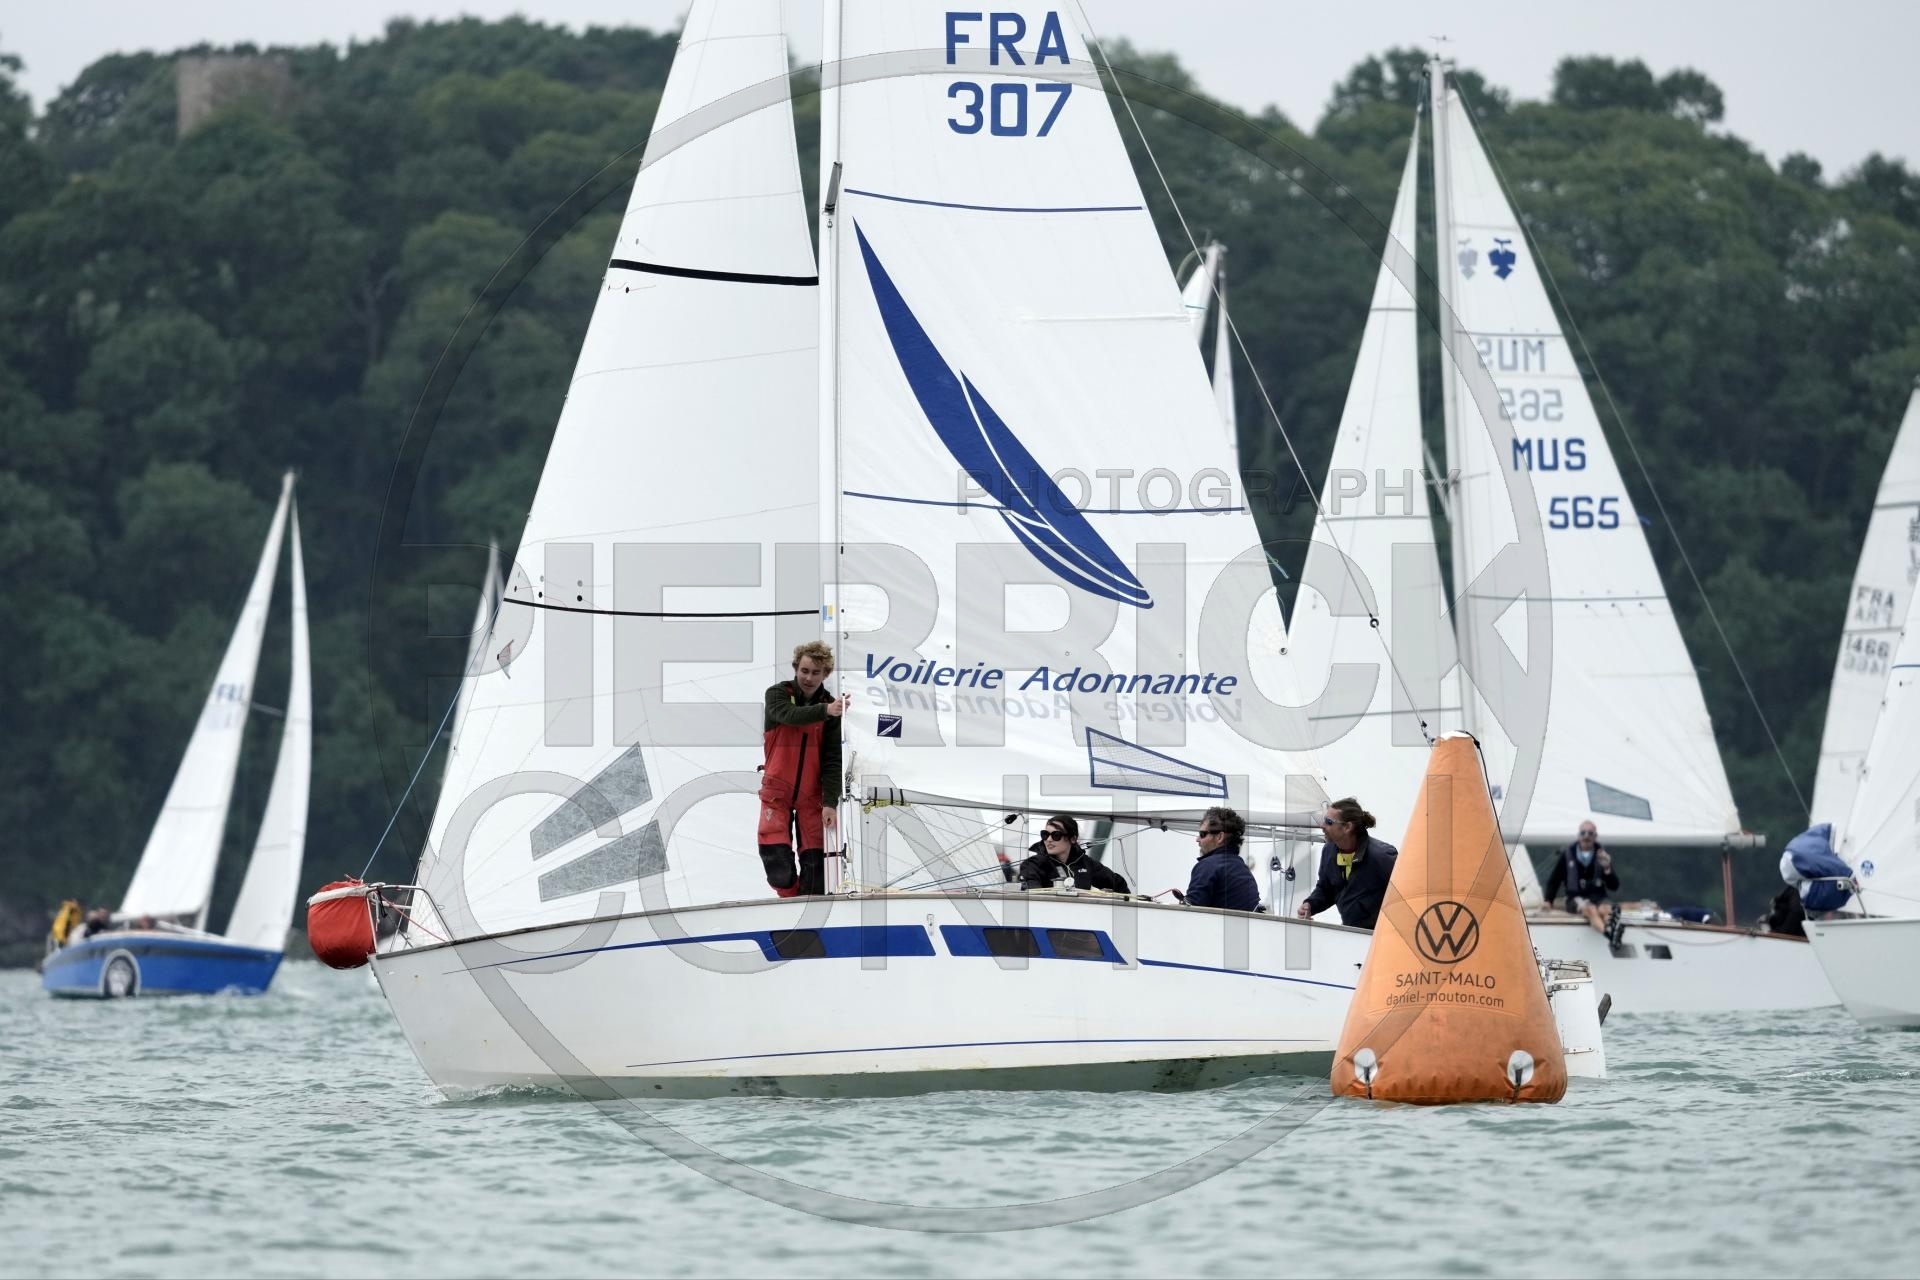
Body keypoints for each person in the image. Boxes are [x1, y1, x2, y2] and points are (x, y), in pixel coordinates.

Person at [758, 641, 847, 897]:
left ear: (825, 674)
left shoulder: (832, 708)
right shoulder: (777, 694)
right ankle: (790, 902)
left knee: (817, 874)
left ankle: (811, 909)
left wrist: (830, 802)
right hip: (777, 793)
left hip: (812, 797)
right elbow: (790, 715)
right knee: (778, 870)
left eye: (816, 672)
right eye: (804, 671)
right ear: (796, 668)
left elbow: (832, 759)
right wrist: (826, 710)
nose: (808, 678)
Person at [1297, 797, 1397, 930]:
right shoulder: (1329, 851)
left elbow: (1406, 896)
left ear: (1347, 827)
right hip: (1351, 934)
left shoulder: (1383, 856)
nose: (1322, 826)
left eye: (1329, 822)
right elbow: (1326, 889)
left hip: (1380, 935)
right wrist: (1310, 905)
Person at [1543, 821, 1623, 944]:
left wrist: (1607, 868)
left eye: (1590, 833)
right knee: (1590, 909)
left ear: (1595, 836)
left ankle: (1612, 930)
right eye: (1583, 833)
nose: (1586, 836)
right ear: (1578, 836)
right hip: (1575, 897)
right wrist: (1548, 900)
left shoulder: (1602, 856)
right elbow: (1555, 880)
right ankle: (1607, 935)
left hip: (1598, 896)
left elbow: (1614, 886)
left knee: (1606, 909)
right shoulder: (1568, 855)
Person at [1017, 815, 1131, 894]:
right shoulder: (1032, 865)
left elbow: (1119, 885)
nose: (1049, 840)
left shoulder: (1086, 863)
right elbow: (1033, 895)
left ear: (1073, 839)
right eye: (1045, 834)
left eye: (1056, 835)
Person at [1176, 806, 1262, 911]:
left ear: (1220, 837)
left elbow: (1190, 911)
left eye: (1202, 834)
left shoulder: (1208, 866)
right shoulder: (1243, 869)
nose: (1197, 839)